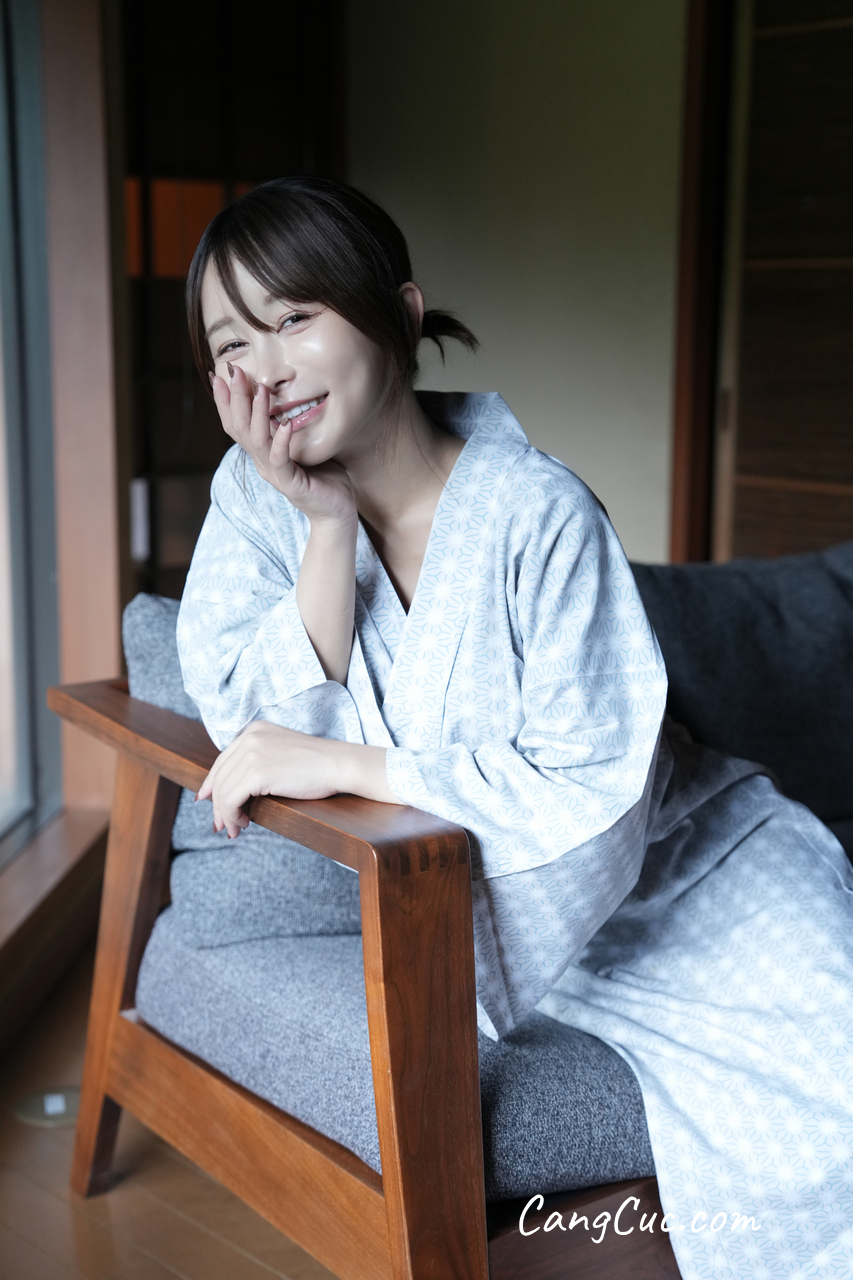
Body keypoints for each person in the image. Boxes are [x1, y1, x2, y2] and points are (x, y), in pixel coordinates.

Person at [178, 176, 853, 1280]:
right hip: (533, 923)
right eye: (232, 343)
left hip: (695, 871)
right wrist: (324, 527)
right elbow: (251, 729)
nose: (269, 365)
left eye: (294, 316)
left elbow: (590, 782)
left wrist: (353, 760)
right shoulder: (257, 497)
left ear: (399, 313)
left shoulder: (538, 511)